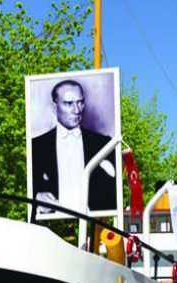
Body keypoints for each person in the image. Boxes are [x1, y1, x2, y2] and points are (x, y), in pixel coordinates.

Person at [31, 79, 117, 213]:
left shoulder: (103, 144)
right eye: (69, 103)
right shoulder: (36, 147)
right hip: (51, 225)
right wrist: (36, 196)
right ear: (54, 107)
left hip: (92, 224)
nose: (77, 110)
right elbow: (27, 187)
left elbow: (113, 193)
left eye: (80, 102)